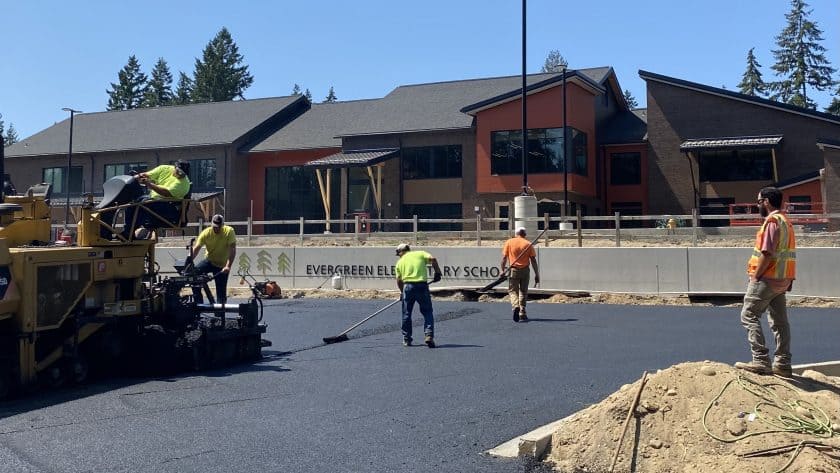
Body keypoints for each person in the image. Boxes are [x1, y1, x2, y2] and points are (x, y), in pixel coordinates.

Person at [735, 186, 796, 377]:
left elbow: (767, 253)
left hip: (767, 278)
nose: (758, 205)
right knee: (780, 321)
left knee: (749, 314)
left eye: (759, 201)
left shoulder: (772, 222)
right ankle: (783, 364)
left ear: (767, 202)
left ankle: (760, 360)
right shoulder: (786, 221)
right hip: (783, 278)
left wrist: (756, 276)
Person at [122, 160, 191, 239]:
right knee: (132, 204)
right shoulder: (164, 169)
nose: (180, 174)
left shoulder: (183, 185)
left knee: (143, 204)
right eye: (179, 171)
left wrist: (148, 184)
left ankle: (129, 233)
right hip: (154, 202)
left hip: (170, 209)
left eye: (183, 173)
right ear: (175, 167)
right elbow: (147, 175)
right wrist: (134, 179)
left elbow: (164, 192)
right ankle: (127, 232)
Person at [395, 243, 441, 348]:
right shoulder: (420, 253)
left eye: (398, 253)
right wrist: (437, 273)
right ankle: (429, 335)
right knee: (427, 311)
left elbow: (399, 280)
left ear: (400, 252)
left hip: (408, 287)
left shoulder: (399, 262)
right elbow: (433, 259)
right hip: (422, 286)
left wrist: (402, 292)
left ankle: (407, 339)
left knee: (406, 314)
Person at [189, 214, 237, 304]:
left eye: (218, 227)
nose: (216, 229)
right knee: (194, 277)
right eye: (214, 227)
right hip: (209, 261)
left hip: (222, 265)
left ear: (222, 225)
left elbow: (233, 250)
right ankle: (198, 304)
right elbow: (196, 249)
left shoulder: (229, 231)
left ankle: (220, 315)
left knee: (221, 291)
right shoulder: (206, 233)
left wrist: (228, 266)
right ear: (211, 225)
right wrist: (188, 262)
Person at [501, 227, 540, 322]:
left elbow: (504, 258)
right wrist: (537, 274)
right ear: (525, 234)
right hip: (525, 270)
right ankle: (522, 311)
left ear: (516, 234)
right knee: (523, 291)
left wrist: (502, 270)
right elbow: (533, 260)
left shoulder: (509, 242)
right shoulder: (528, 244)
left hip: (513, 270)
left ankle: (515, 306)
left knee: (513, 291)